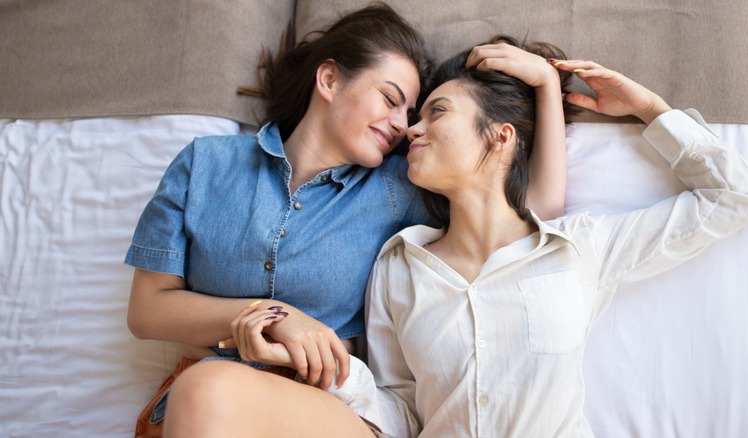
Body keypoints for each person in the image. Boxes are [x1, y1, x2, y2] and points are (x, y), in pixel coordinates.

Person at [124, 3, 570, 437]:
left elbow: (530, 211)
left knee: (209, 390)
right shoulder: (205, 164)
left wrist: (547, 84)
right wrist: (274, 317)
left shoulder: (401, 188)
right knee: (206, 392)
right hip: (203, 408)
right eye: (391, 100)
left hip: (330, 409)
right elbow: (147, 311)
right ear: (330, 78)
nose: (402, 125)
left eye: (411, 114)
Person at [361, 39, 748, 437]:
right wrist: (336, 378)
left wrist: (647, 108)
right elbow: (399, 412)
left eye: (438, 112)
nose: (412, 129)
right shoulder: (398, 265)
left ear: (500, 137)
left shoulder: (579, 249)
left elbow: (738, 196)